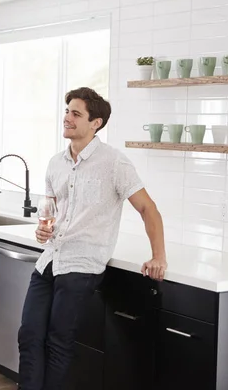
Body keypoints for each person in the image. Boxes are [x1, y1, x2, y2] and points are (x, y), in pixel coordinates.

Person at [17, 87, 167, 390]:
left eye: (76, 113)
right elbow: (52, 211)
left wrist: (158, 256)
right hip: (50, 261)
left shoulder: (114, 162)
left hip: (82, 266)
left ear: (95, 123)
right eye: (67, 111)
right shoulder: (55, 162)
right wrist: (43, 229)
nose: (67, 118)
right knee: (29, 335)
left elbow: (148, 209)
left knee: (59, 342)